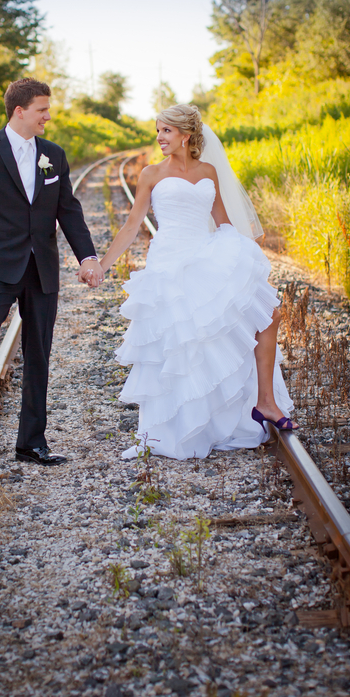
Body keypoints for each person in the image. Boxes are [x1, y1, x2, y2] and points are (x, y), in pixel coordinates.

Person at [97, 104, 297, 460]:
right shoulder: (151, 174)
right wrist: (102, 265)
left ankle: (264, 402)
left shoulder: (208, 171)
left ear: (185, 135)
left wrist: (246, 260)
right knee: (181, 342)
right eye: (158, 131)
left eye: (166, 131)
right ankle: (179, 425)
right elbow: (132, 226)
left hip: (206, 253)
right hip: (170, 261)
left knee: (268, 314)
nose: (159, 138)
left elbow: (221, 220)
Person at [0, 78, 104, 464]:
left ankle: (32, 442)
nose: (47, 117)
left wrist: (87, 257)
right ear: (20, 111)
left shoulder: (53, 154)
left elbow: (68, 209)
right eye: (42, 110)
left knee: (39, 353)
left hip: (42, 268)